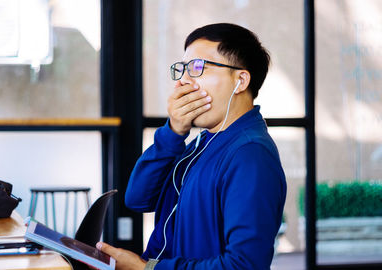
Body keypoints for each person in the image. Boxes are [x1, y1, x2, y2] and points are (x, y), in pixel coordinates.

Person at [96, 23, 287, 270]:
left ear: (240, 80)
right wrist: (173, 132)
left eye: (197, 68)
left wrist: (146, 269)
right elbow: (138, 199)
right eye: (183, 69)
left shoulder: (250, 154)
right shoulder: (202, 142)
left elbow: (243, 265)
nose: (183, 82)